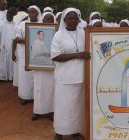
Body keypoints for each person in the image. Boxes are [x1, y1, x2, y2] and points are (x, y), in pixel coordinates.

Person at [51, 7, 90, 140]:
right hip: (64, 77)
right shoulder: (58, 35)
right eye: (70, 18)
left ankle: (75, 130)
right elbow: (55, 56)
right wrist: (77, 55)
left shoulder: (85, 33)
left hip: (80, 76)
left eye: (75, 18)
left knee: (77, 106)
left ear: (79, 20)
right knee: (63, 105)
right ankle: (59, 132)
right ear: (65, 20)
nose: (73, 20)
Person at [15, 5, 41, 105]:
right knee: (24, 76)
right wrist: (25, 40)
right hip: (24, 54)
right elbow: (17, 38)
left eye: (34, 12)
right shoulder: (22, 24)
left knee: (36, 76)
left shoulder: (42, 25)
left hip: (37, 55)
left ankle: (36, 97)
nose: (31, 14)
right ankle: (24, 96)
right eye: (30, 12)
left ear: (38, 14)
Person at [31, 11, 55, 121]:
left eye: (51, 19)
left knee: (50, 89)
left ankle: (51, 111)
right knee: (39, 89)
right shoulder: (35, 41)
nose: (48, 21)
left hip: (51, 68)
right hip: (38, 68)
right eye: (47, 19)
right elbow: (33, 54)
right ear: (43, 21)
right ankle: (38, 111)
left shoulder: (56, 33)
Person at [0, 8, 16, 81]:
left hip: (11, 46)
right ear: (6, 15)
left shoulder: (15, 24)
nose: (9, 15)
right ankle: (1, 77)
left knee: (11, 61)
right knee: (2, 61)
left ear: (13, 15)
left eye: (10, 14)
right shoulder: (1, 23)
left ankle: (11, 76)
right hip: (2, 45)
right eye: (8, 14)